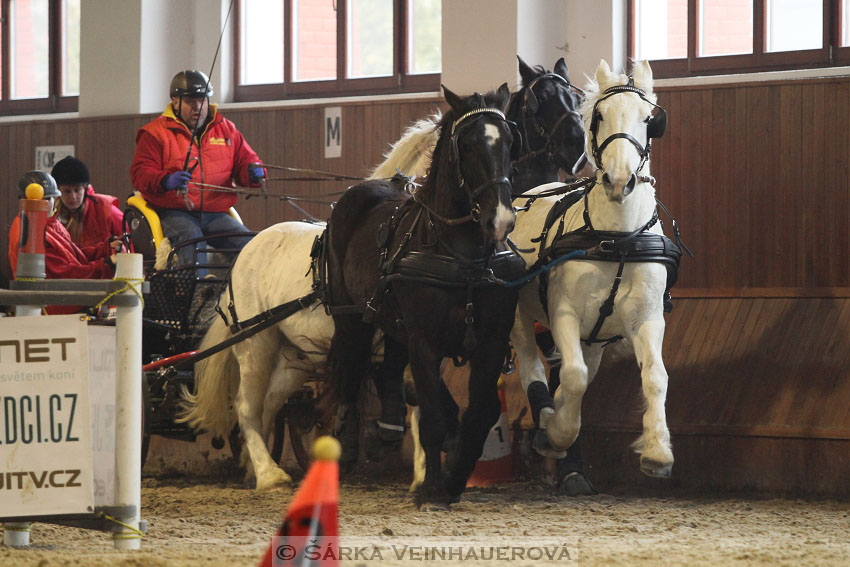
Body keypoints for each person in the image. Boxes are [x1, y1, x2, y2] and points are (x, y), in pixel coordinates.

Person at [129, 69, 264, 269]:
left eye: (203, 100)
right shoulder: (154, 133)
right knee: (193, 242)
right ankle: (197, 293)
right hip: (173, 212)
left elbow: (247, 161)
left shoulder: (227, 129)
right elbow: (140, 174)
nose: (198, 107)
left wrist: (254, 173)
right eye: (191, 101)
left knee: (249, 244)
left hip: (215, 212)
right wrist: (165, 180)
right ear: (175, 101)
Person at [8, 171, 122, 314]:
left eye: (48, 199)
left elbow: (73, 255)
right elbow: (66, 274)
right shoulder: (31, 231)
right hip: (56, 311)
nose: (45, 204)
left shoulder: (48, 223)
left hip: (65, 304)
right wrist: (106, 265)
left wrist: (104, 249)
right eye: (42, 199)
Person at [51, 155, 124, 253]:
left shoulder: (106, 209)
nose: (73, 197)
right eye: (67, 191)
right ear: (58, 192)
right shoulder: (51, 215)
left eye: (77, 190)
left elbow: (129, 239)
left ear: (85, 189)